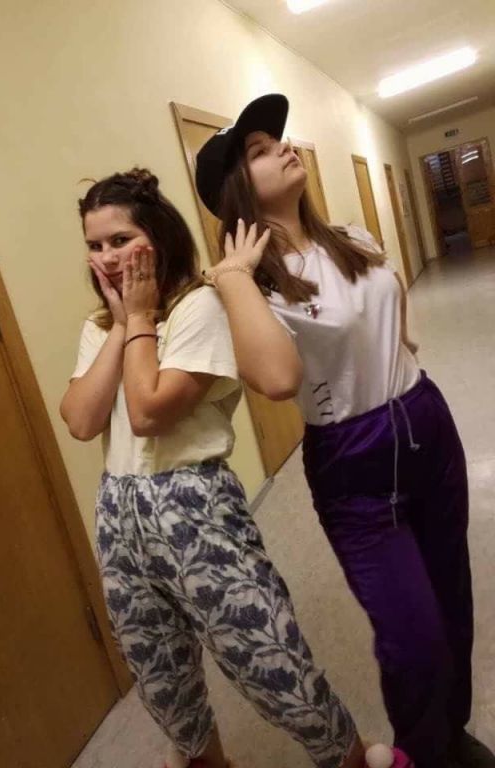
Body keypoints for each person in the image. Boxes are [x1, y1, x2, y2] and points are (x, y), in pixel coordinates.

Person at [60, 168, 409, 768]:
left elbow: (147, 413)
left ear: (158, 236)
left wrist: (139, 320)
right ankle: (205, 760)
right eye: (95, 245)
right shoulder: (100, 327)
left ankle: (350, 757)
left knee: (267, 656)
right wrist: (121, 326)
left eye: (121, 239)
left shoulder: (198, 307)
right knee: (160, 675)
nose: (108, 257)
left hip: (194, 507)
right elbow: (81, 419)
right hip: (119, 515)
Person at [194, 93, 493, 768]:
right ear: (238, 191)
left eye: (279, 138)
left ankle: (452, 735)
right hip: (353, 460)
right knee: (413, 637)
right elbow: (276, 379)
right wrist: (233, 278)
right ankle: (423, 753)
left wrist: (401, 345)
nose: (282, 147)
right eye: (259, 149)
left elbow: (392, 290)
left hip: (425, 421)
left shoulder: (352, 236)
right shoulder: (253, 288)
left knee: (452, 602)